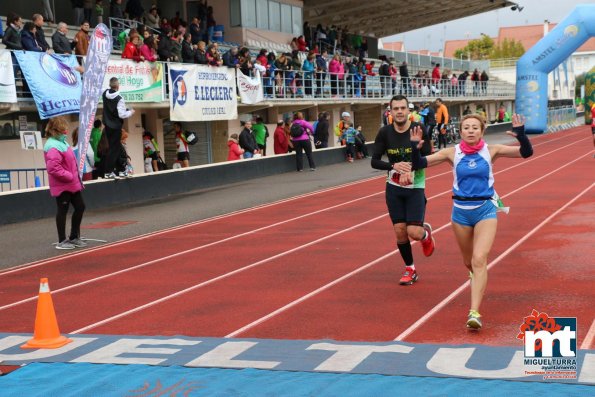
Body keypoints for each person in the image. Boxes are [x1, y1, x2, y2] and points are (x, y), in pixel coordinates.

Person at [409, 113, 533, 329]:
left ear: (482, 131)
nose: (471, 131)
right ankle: (475, 274)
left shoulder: (491, 150)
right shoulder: (451, 153)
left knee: (479, 259)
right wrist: (414, 146)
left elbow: (526, 153)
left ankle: (474, 312)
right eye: (466, 127)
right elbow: (418, 163)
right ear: (461, 131)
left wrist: (521, 136)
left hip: (485, 209)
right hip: (460, 213)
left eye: (475, 127)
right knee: (469, 263)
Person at [371, 95, 435, 286]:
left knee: (413, 232)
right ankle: (410, 269)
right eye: (395, 108)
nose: (399, 111)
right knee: (400, 232)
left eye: (402, 108)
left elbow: (428, 157)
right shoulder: (384, 133)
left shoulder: (419, 129)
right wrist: (393, 166)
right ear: (390, 112)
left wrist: (411, 166)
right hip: (394, 189)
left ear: (409, 110)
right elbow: (374, 161)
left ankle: (425, 235)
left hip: (415, 187)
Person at [43, 116, 86, 250]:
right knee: (62, 210)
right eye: (63, 129)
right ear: (56, 130)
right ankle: (62, 240)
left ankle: (74, 236)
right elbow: (53, 168)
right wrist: (68, 176)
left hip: (71, 183)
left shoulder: (63, 142)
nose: (66, 131)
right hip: (63, 184)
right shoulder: (52, 145)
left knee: (80, 207)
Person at [102, 77, 135, 178]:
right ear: (117, 86)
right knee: (114, 149)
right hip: (116, 126)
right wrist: (131, 112)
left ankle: (121, 169)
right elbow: (121, 115)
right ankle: (108, 171)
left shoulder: (105, 93)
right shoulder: (119, 98)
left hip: (107, 125)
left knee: (117, 148)